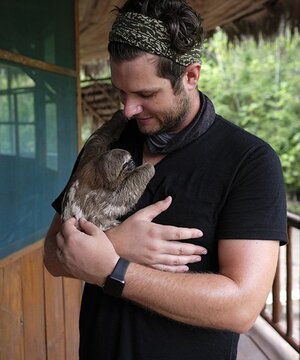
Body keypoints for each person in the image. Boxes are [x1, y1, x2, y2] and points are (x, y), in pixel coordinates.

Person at [44, 0, 287, 359]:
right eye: (120, 92)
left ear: (190, 76)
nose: (127, 109)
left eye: (145, 94)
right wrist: (115, 242)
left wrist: (113, 268)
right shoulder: (107, 143)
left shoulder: (249, 162)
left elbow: (241, 307)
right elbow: (52, 255)